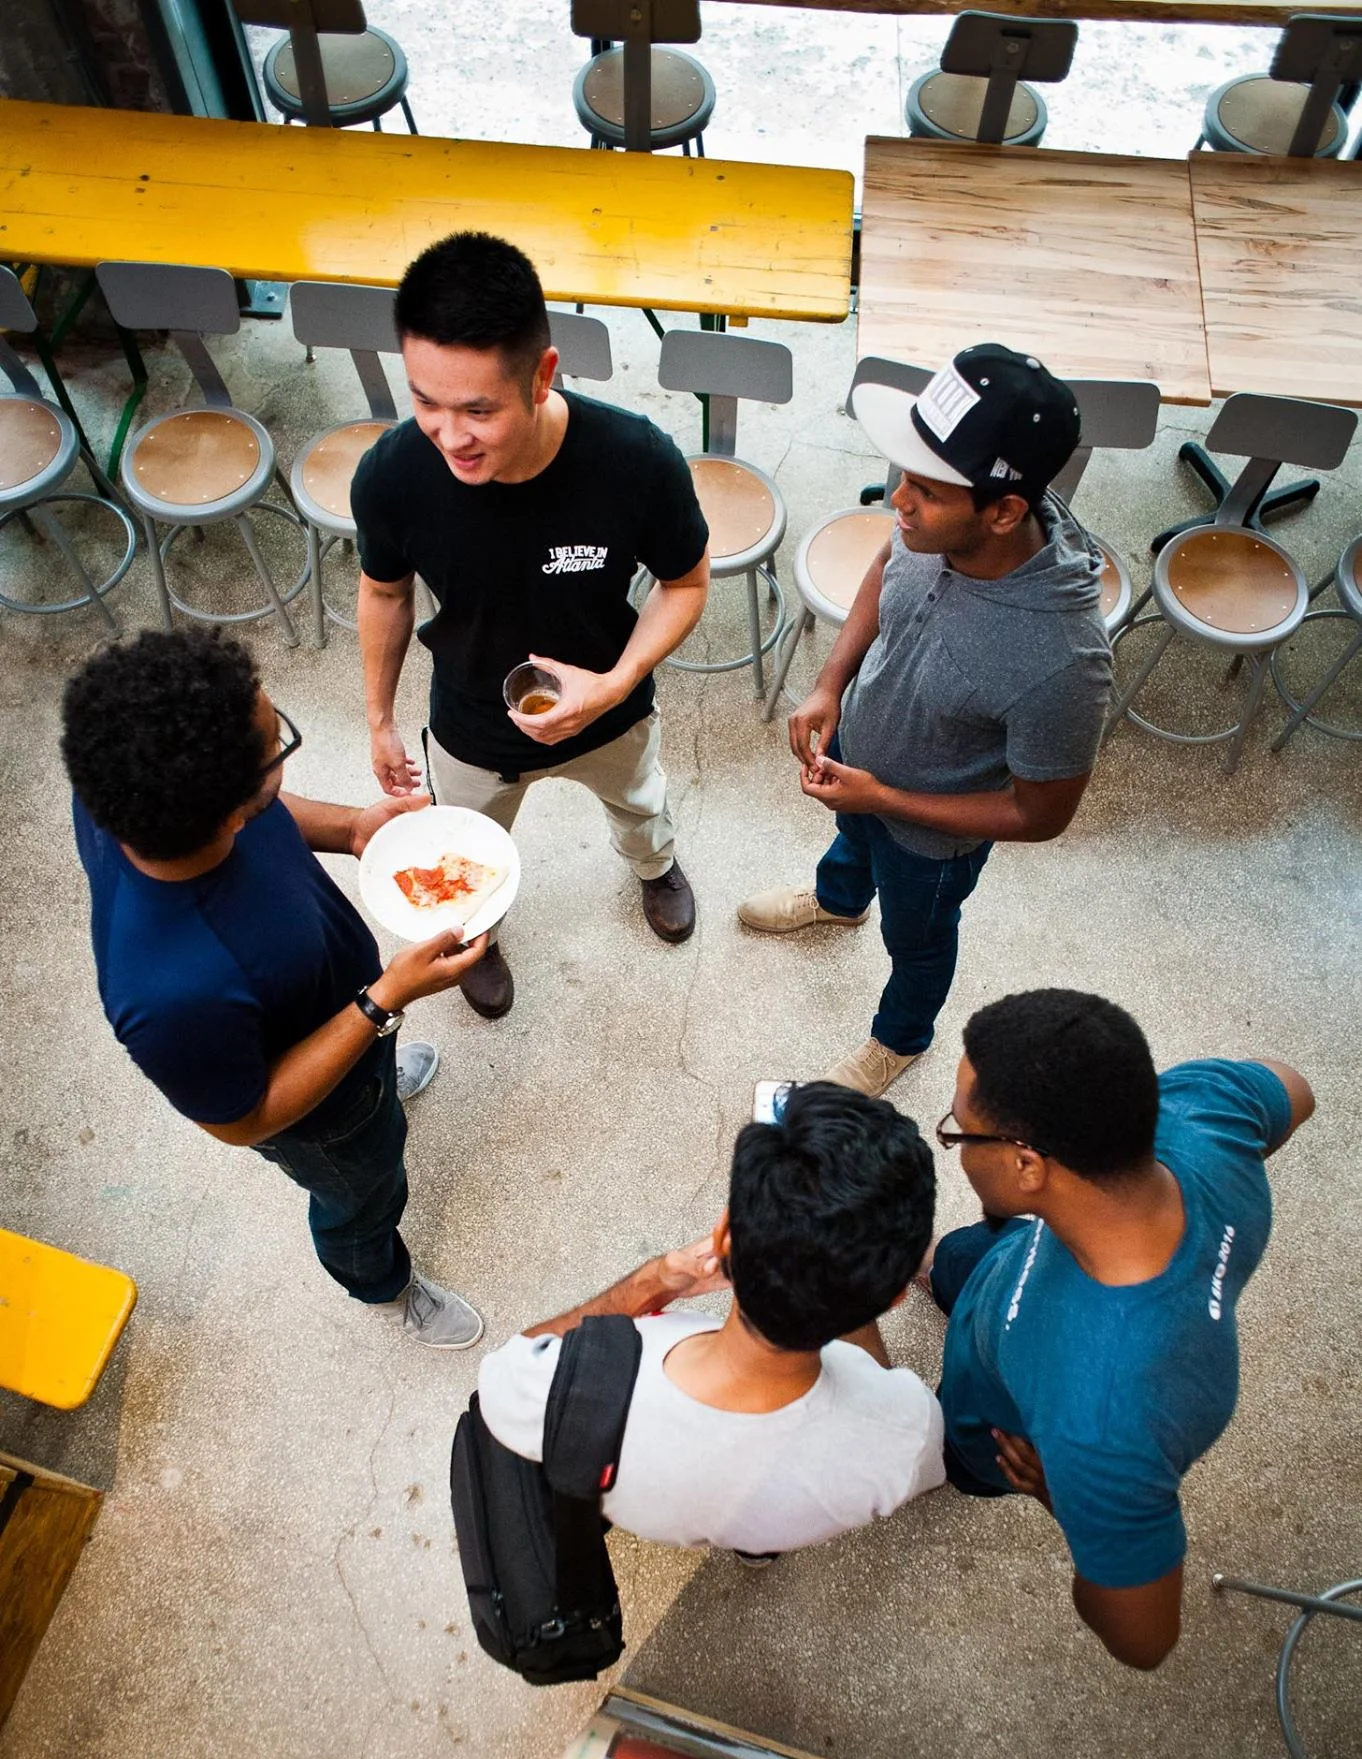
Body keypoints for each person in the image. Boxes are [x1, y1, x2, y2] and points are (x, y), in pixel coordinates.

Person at [62, 627, 491, 1348]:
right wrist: (382, 1001)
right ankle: (382, 1284)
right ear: (227, 808)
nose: (282, 753)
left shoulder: (130, 778)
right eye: (277, 750)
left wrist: (353, 828)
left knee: (377, 1086)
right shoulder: (170, 994)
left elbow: (265, 813)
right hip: (320, 1118)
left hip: (341, 1013)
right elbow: (241, 1120)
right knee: (363, 1191)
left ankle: (381, 1082)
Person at [352, 231, 711, 1022]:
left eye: (478, 409)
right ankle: (480, 932)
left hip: (610, 706)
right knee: (465, 855)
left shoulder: (634, 460)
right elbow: (383, 592)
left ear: (543, 376)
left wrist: (614, 684)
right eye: (425, 401)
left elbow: (686, 583)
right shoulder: (392, 474)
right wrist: (378, 718)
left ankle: (656, 869)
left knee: (641, 802)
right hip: (472, 721)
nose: (448, 435)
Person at [738, 344, 1112, 1098]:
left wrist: (886, 799)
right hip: (862, 761)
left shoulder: (1062, 660)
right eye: (903, 475)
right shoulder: (929, 526)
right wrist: (830, 683)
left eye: (927, 490)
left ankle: (901, 1037)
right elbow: (885, 566)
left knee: (918, 940)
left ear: (1005, 511)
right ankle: (840, 903)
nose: (897, 502)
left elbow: (1041, 815)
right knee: (849, 844)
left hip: (930, 843)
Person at [925, 988, 1314, 1669]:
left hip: (990, 1412)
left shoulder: (1105, 1422)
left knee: (944, 1448)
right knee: (960, 1258)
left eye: (957, 1131)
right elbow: (1293, 1089)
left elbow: (1143, 1639)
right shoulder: (1203, 1112)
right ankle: (937, 1269)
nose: (953, 1146)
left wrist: (1064, 1497)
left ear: (1026, 1164)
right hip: (1010, 1260)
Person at [478, 1082, 944, 1559]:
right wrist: (848, 1279)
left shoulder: (559, 1388)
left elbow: (513, 1363)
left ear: (723, 1235)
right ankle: (755, 1548)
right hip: (774, 1520)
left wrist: (653, 1280)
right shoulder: (906, 1429)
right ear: (895, 1298)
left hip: (657, 1511)